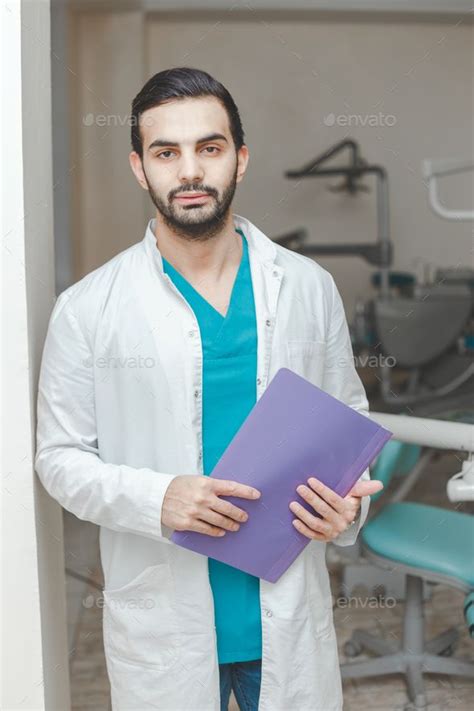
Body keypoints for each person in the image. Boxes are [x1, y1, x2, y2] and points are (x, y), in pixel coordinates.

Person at [35, 67, 382, 711]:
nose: (189, 171)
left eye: (210, 148)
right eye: (167, 152)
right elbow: (59, 460)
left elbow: (348, 427)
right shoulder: (88, 308)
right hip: (164, 630)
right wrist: (158, 497)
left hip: (285, 617)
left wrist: (347, 513)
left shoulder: (306, 287)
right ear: (141, 168)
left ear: (240, 159)